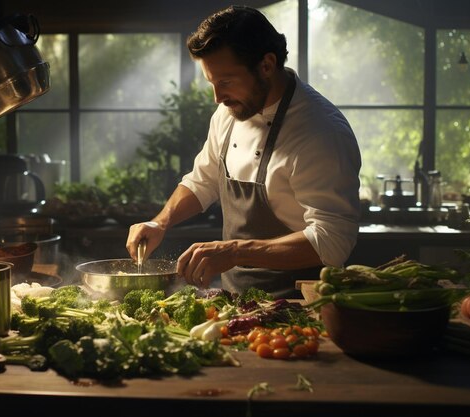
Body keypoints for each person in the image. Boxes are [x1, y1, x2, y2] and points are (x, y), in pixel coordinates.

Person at [126, 5, 362, 298]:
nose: (217, 97)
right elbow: (205, 178)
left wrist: (236, 251)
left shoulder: (320, 132)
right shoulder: (231, 112)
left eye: (225, 82)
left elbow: (333, 241)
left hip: (300, 307)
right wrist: (160, 222)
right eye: (212, 83)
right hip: (238, 302)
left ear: (266, 65)